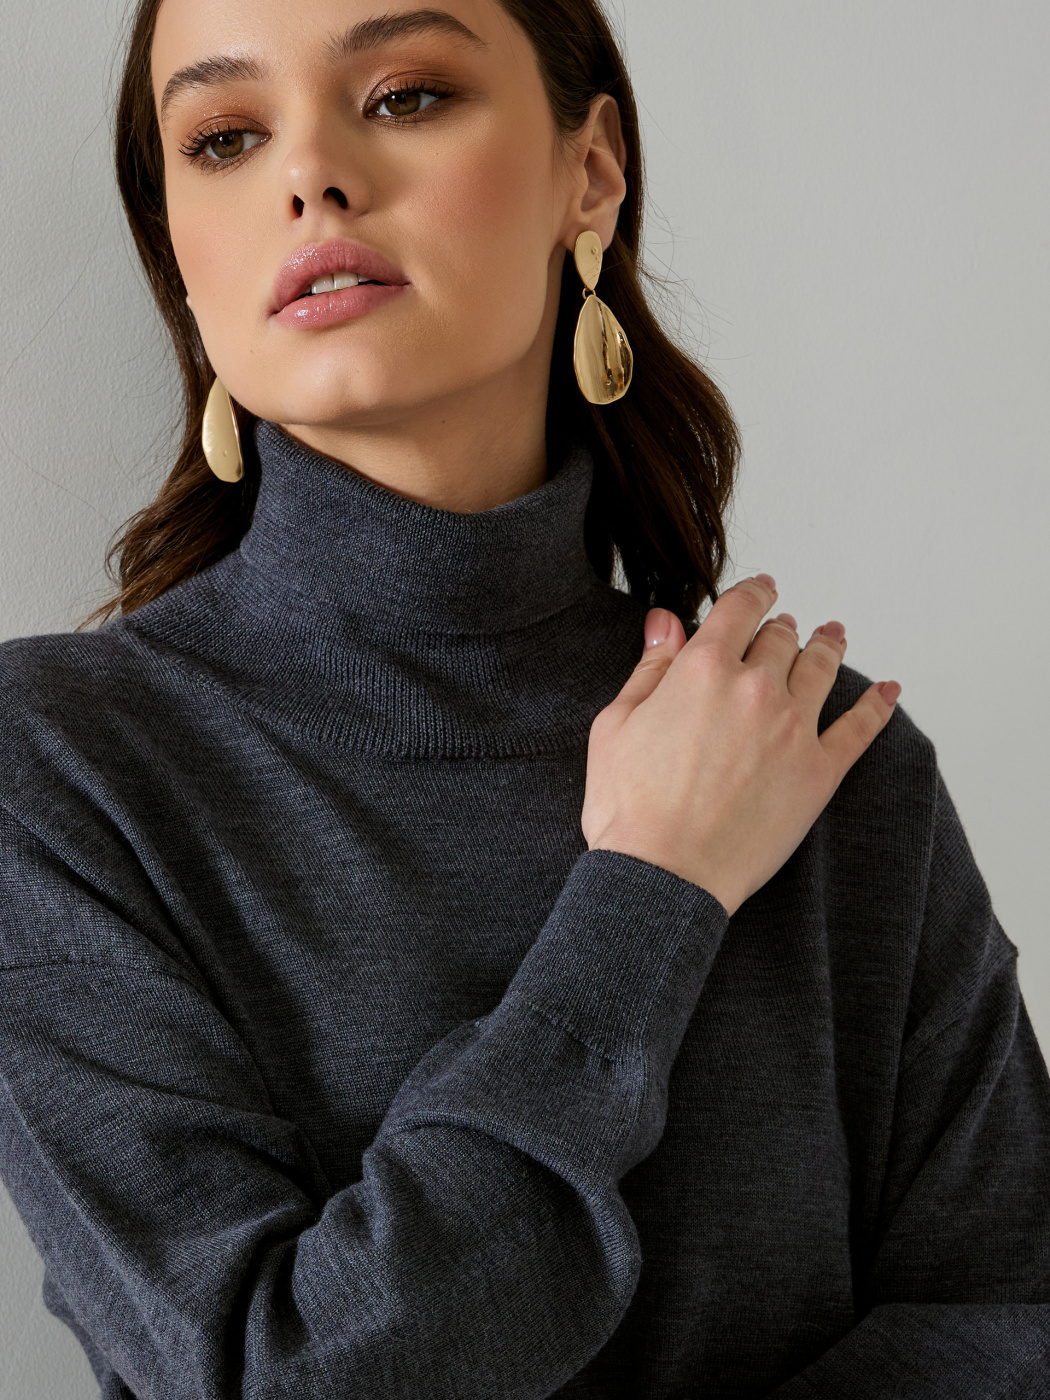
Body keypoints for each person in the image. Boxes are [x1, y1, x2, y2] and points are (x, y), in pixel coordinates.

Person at [0, 0, 1046, 1395]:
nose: (310, 176)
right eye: (226, 137)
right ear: (180, 257)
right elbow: (277, 1375)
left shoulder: (816, 751)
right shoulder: (57, 768)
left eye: (405, 96)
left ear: (589, 173)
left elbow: (1008, 1321)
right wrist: (653, 893)